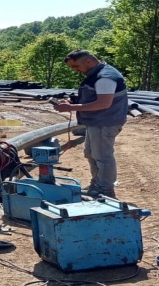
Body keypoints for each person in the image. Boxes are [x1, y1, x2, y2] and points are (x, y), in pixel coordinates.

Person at [53, 50, 128, 198]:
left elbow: (103, 103)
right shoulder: (95, 75)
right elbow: (92, 97)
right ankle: (97, 184)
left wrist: (70, 107)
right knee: (91, 154)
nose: (75, 70)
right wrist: (72, 101)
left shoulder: (105, 77)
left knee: (102, 156)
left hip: (105, 122)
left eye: (76, 66)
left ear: (88, 61)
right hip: (96, 122)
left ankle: (105, 189)